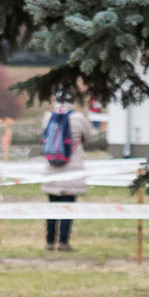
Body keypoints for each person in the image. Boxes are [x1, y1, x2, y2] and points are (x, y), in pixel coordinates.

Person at [40, 87, 93, 252]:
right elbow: (89, 137)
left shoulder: (48, 117)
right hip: (73, 169)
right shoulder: (79, 118)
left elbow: (44, 136)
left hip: (52, 168)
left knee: (52, 207)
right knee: (68, 208)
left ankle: (49, 242)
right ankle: (63, 242)